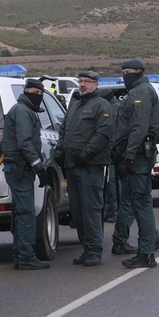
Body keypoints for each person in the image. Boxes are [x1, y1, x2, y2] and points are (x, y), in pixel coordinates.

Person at [110, 60, 159, 268]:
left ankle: (146, 253)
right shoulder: (137, 91)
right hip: (133, 154)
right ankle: (148, 243)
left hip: (137, 155)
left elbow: (139, 126)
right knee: (135, 201)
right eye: (123, 72)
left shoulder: (140, 92)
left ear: (139, 73)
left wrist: (128, 155)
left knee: (141, 201)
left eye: (128, 72)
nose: (125, 75)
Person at [58, 71, 114, 266]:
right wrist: (60, 151)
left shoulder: (101, 105)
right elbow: (64, 129)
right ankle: (86, 248)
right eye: (81, 81)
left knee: (91, 209)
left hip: (90, 166)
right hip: (72, 165)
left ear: (96, 84)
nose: (83, 85)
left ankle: (94, 250)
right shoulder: (74, 104)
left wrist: (86, 155)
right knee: (78, 211)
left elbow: (103, 134)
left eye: (87, 82)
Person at [2, 78, 53, 271]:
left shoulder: (22, 109)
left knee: (21, 212)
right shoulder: (23, 111)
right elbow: (24, 142)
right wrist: (39, 166)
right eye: (35, 92)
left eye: (41, 93)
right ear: (27, 91)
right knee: (26, 213)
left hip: (19, 168)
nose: (38, 96)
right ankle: (26, 256)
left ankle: (20, 254)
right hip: (20, 168)